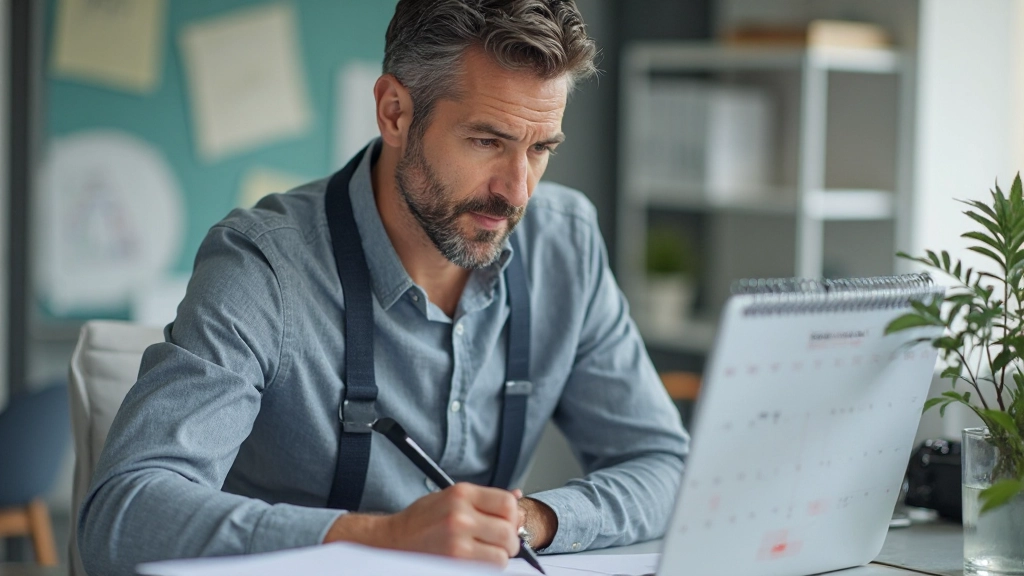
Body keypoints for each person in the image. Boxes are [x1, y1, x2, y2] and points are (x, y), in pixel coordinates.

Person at [78, 1, 688, 574]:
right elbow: (123, 516)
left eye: (540, 149)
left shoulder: (566, 242)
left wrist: (530, 521)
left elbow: (664, 466)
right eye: (486, 141)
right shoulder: (262, 265)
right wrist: (383, 539)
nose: (517, 191)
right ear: (394, 111)